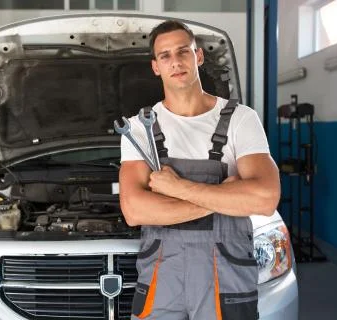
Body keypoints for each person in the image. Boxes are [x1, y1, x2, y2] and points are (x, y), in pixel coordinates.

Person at [119, 19, 280, 320]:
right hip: (162, 276)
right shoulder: (140, 127)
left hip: (227, 276)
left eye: (183, 51)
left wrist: (178, 188)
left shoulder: (241, 120)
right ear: (156, 66)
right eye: (165, 55)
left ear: (199, 56)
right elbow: (134, 210)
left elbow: (265, 199)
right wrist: (224, 197)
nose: (176, 62)